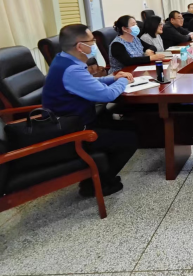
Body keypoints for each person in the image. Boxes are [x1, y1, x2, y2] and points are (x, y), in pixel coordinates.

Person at [42, 24, 138, 197]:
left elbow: (90, 83)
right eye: (92, 41)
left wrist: (113, 78)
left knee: (129, 126)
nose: (94, 44)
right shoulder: (71, 70)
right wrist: (123, 81)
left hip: (75, 120)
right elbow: (107, 95)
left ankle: (96, 177)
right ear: (80, 46)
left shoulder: (64, 59)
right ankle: (97, 184)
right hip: (72, 131)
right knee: (129, 138)